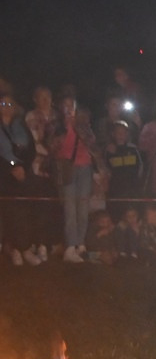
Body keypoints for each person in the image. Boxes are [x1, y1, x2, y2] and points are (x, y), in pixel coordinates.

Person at [50, 95, 100, 262]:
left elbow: (92, 144)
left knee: (83, 207)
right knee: (70, 207)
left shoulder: (84, 125)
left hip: (85, 167)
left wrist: (79, 127)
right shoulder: (57, 126)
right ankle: (71, 246)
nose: (69, 109)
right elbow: (53, 148)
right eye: (65, 106)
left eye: (71, 106)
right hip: (67, 169)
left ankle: (80, 243)